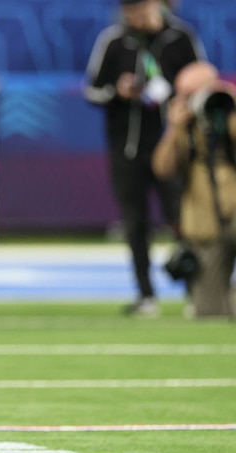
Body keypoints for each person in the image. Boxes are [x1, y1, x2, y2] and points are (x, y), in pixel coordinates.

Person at [84, 0, 205, 317]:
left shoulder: (180, 37)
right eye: (130, 11)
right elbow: (92, 90)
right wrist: (117, 91)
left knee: (182, 220)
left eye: (142, 9)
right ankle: (146, 295)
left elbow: (202, 82)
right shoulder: (114, 39)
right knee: (135, 224)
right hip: (128, 149)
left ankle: (196, 292)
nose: (136, 17)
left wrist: (180, 99)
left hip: (172, 146)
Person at [152, 61, 236, 318]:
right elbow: (162, 169)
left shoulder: (229, 109)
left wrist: (229, 108)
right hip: (204, 218)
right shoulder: (184, 125)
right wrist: (173, 128)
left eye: (192, 93)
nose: (187, 99)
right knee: (209, 310)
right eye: (183, 94)